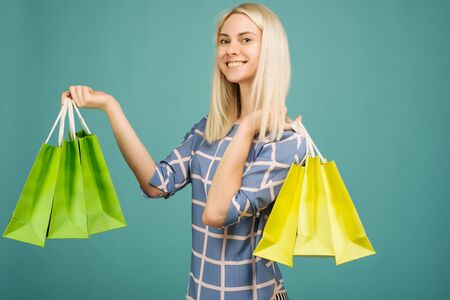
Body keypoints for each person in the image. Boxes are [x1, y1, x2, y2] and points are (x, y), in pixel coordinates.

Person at [61, 3, 306, 299]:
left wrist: (248, 127)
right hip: (201, 292)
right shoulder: (208, 130)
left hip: (253, 293)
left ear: (271, 51)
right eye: (224, 40)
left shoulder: (285, 142)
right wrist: (111, 107)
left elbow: (216, 213)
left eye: (246, 39)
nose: (230, 49)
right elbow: (155, 183)